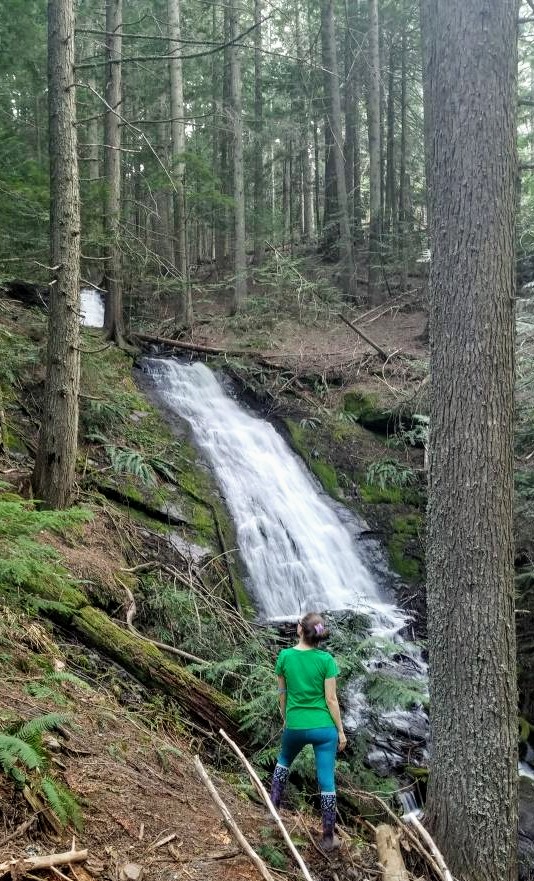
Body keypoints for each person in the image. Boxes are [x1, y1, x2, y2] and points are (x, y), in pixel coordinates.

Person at [270, 612, 347, 850]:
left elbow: (282, 694)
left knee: (283, 762)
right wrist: (341, 732)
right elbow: (331, 700)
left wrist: (285, 717)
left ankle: (273, 811)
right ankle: (327, 837)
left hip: (295, 724)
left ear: (299, 629)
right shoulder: (326, 661)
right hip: (324, 728)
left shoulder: (284, 657)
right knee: (326, 780)